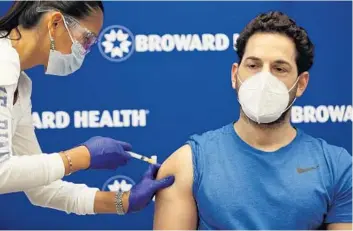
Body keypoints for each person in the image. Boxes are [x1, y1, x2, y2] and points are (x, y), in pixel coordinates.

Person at [153, 11, 352, 230]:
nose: (264, 79)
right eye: (253, 65)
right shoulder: (186, 165)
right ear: (234, 75)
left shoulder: (338, 167)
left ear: (301, 84)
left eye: (279, 68)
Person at [0, 1, 174, 216]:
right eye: (87, 39)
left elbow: (41, 189)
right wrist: (82, 157)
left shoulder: (20, 83)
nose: (84, 51)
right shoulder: (2, 64)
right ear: (55, 23)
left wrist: (124, 201)